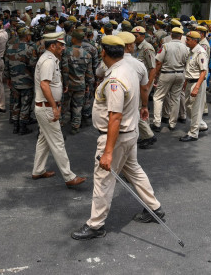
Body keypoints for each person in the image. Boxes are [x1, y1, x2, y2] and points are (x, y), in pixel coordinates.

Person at [71, 35, 163, 241]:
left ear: (104, 53)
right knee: (134, 171)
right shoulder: (130, 66)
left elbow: (115, 117)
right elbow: (143, 89)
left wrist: (108, 152)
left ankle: (95, 225)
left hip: (117, 136)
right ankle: (154, 208)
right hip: (130, 133)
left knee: (103, 181)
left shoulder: (115, 79)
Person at [31, 32, 86, 188]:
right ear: (53, 46)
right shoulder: (48, 61)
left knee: (44, 140)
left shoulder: (51, 59)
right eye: (61, 45)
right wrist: (54, 107)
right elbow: (44, 85)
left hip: (46, 106)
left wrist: (57, 104)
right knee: (58, 142)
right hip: (46, 108)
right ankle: (69, 177)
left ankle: (38, 170)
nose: (63, 48)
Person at [150, 27, 188, 132]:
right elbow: (186, 63)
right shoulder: (185, 48)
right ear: (181, 36)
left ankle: (157, 123)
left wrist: (155, 76)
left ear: (171, 35)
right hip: (180, 74)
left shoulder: (166, 46)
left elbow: (158, 62)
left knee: (158, 97)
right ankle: (172, 123)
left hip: (166, 73)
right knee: (175, 99)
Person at [3, 27, 37, 135]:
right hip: (26, 81)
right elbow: (33, 65)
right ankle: (23, 127)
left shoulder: (10, 48)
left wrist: (8, 78)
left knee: (16, 104)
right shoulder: (30, 48)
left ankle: (15, 126)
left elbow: (6, 65)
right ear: (27, 36)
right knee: (25, 104)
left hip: (13, 81)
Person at [62, 30, 93, 135]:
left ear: (73, 39)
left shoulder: (66, 52)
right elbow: (89, 74)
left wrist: (64, 83)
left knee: (64, 106)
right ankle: (75, 126)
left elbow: (64, 70)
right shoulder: (87, 55)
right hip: (80, 85)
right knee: (78, 106)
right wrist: (88, 85)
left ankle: (59, 125)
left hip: (68, 85)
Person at [179, 31, 209, 142]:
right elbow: (190, 69)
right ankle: (200, 124)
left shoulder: (200, 52)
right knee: (188, 105)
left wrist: (196, 87)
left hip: (197, 83)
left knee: (196, 108)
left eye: (188, 39)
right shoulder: (191, 52)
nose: (186, 41)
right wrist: (186, 82)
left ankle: (193, 133)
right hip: (190, 81)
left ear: (195, 41)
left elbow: (203, 71)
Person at [132, 26, 157, 148]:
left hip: (144, 84)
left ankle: (148, 135)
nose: (134, 38)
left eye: (136, 36)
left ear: (142, 36)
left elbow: (153, 68)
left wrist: (148, 85)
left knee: (137, 109)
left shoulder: (147, 48)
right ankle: (145, 135)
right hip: (138, 83)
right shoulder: (136, 47)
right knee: (141, 108)